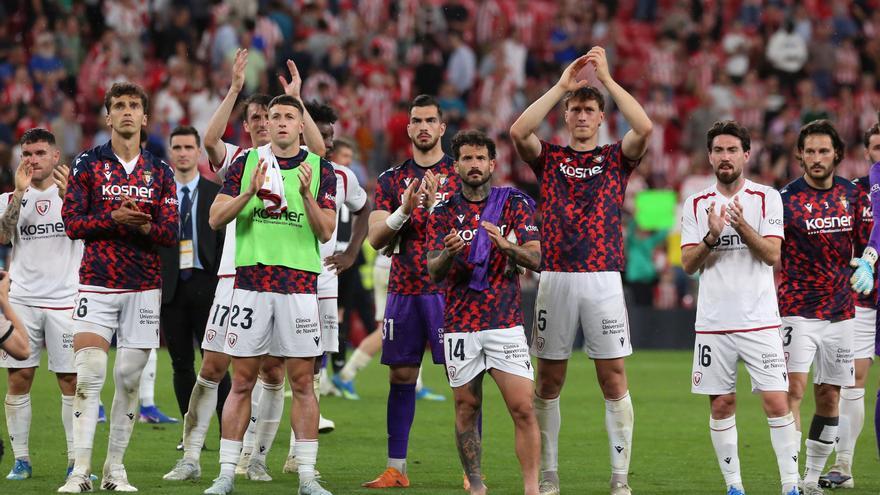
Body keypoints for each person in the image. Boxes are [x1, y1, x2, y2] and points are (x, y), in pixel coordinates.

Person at [509, 47, 652, 495]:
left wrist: (607, 80)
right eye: (576, 110)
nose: (582, 115)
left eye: (590, 110)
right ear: (566, 116)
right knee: (549, 380)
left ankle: (619, 479)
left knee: (612, 377)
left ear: (600, 117)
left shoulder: (615, 158)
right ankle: (549, 475)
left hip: (603, 277)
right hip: (554, 277)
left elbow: (644, 127)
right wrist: (560, 87)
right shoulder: (548, 158)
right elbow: (518, 130)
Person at [203, 94, 336, 495]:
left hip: (298, 287)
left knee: (303, 383)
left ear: (300, 126)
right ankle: (227, 473)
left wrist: (309, 196)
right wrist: (249, 194)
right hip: (251, 285)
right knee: (241, 381)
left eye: (288, 117)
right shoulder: (246, 163)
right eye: (274, 116)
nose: (279, 122)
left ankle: (307, 477)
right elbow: (214, 218)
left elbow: (326, 230)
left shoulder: (319, 168)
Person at [58, 81, 179, 493]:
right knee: (89, 374)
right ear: (108, 116)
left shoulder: (159, 172)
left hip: (144, 286)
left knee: (128, 380)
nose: (127, 112)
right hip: (97, 282)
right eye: (119, 106)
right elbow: (72, 223)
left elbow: (170, 231)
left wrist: (143, 224)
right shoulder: (86, 164)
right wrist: (114, 218)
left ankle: (115, 470)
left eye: (134, 106)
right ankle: (79, 472)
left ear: (145, 118)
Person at [680, 121, 799, 495]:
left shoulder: (767, 198)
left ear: (746, 155)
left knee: (777, 402)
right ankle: (734, 486)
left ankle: (791, 486)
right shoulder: (696, 203)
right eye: (718, 150)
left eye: (732, 150)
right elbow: (688, 264)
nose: (725, 157)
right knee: (721, 405)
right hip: (714, 323)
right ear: (710, 156)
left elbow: (772, 256)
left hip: (760, 320)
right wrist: (712, 236)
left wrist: (741, 225)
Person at [427, 129, 541, 495]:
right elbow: (433, 270)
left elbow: (537, 258)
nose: (473, 165)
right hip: (460, 325)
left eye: (480, 158)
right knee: (465, 408)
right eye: (466, 159)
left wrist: (507, 246)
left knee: (523, 407)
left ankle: (532, 488)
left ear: (493, 164)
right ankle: (476, 485)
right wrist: (449, 253)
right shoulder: (443, 212)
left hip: (504, 322)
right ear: (456, 165)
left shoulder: (515, 203)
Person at [362, 94, 460, 488]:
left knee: (464, 382)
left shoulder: (461, 173)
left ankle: (473, 472)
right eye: (416, 120)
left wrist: (436, 208)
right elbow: (374, 237)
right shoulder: (390, 179)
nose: (422, 126)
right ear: (408, 129)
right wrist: (405, 209)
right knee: (401, 377)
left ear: (441, 127)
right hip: (403, 290)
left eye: (430, 120)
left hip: (450, 293)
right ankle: (396, 468)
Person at [280, 100, 371, 472]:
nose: (328, 142)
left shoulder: (341, 175)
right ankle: (251, 453)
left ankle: (295, 455)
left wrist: (352, 253)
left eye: (331, 135)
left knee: (312, 367)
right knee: (266, 367)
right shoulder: (275, 166)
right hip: (280, 279)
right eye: (322, 134)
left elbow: (364, 208)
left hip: (321, 282)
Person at [778, 119, 859, 495]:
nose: (816, 157)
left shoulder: (853, 196)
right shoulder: (785, 199)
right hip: (796, 309)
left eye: (823, 150)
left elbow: (869, 243)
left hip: (841, 311)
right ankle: (791, 479)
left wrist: (869, 264)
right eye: (809, 151)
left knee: (829, 395)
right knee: (793, 390)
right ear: (800, 155)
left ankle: (812, 478)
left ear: (836, 155)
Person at [0, 128, 81, 481]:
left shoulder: (77, 195)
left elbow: (90, 231)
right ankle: (21, 460)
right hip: (22, 301)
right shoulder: (9, 198)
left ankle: (76, 462)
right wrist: (19, 193)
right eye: (27, 153)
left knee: (70, 382)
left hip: (65, 300)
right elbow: (4, 235)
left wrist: (72, 198)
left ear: (55, 157)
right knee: (19, 378)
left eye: (39, 153)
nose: (33, 159)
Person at [158, 125, 225, 431]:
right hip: (170, 288)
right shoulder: (159, 193)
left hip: (207, 287)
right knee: (181, 365)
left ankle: (230, 433)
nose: (183, 153)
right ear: (170, 153)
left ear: (199, 152)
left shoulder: (215, 192)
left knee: (217, 365)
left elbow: (225, 244)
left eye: (188, 148)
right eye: (177, 148)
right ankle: (190, 435)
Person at [837, 121, 880, 488]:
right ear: (867, 153)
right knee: (853, 380)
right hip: (864, 295)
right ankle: (844, 465)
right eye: (877, 148)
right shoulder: (853, 194)